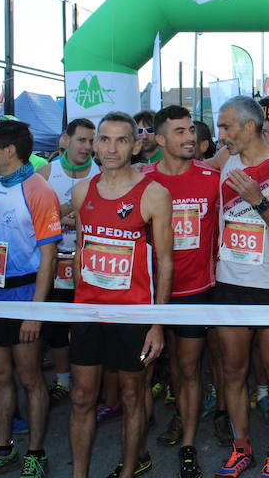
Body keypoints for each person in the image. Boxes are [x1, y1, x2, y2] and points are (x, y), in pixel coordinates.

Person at [69, 111, 173, 478]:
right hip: (88, 313)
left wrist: (158, 323)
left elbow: (165, 262)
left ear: (135, 145)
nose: (111, 148)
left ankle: (129, 471)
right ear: (95, 144)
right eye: (105, 139)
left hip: (133, 316)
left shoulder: (155, 194)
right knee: (81, 397)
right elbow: (83, 249)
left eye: (121, 140)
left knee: (132, 398)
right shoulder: (81, 190)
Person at [0, 119, 61, 478]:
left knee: (31, 378)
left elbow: (49, 256)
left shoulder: (38, 190)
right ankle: (2, 449)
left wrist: (35, 311)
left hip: (24, 294)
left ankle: (36, 453)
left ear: (9, 150)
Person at [212, 97, 269, 478]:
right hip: (231, 281)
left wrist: (258, 200)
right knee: (232, 370)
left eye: (226, 127)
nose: (221, 134)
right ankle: (240, 446)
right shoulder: (227, 162)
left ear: (249, 127)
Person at [140, 106, 220, 478]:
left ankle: (188, 443)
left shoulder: (211, 178)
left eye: (191, 130)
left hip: (195, 290)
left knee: (188, 370)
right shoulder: (142, 180)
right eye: (179, 132)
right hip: (147, 293)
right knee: (142, 372)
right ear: (159, 140)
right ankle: (135, 446)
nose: (189, 137)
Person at [37, 118, 99, 407]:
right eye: (81, 140)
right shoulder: (47, 173)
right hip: (55, 262)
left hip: (91, 264)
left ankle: (89, 383)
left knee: (89, 326)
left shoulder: (101, 173)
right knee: (58, 326)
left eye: (91, 141)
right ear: (66, 140)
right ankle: (63, 380)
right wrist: (60, 216)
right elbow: (32, 217)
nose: (87, 147)